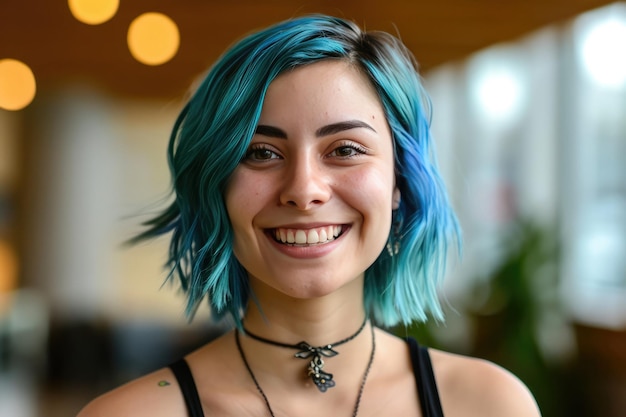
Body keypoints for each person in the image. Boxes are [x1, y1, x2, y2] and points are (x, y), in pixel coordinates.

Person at [78, 14, 541, 417]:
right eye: (260, 152)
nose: (303, 190)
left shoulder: (491, 405)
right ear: (215, 187)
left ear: (399, 181)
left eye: (344, 149)